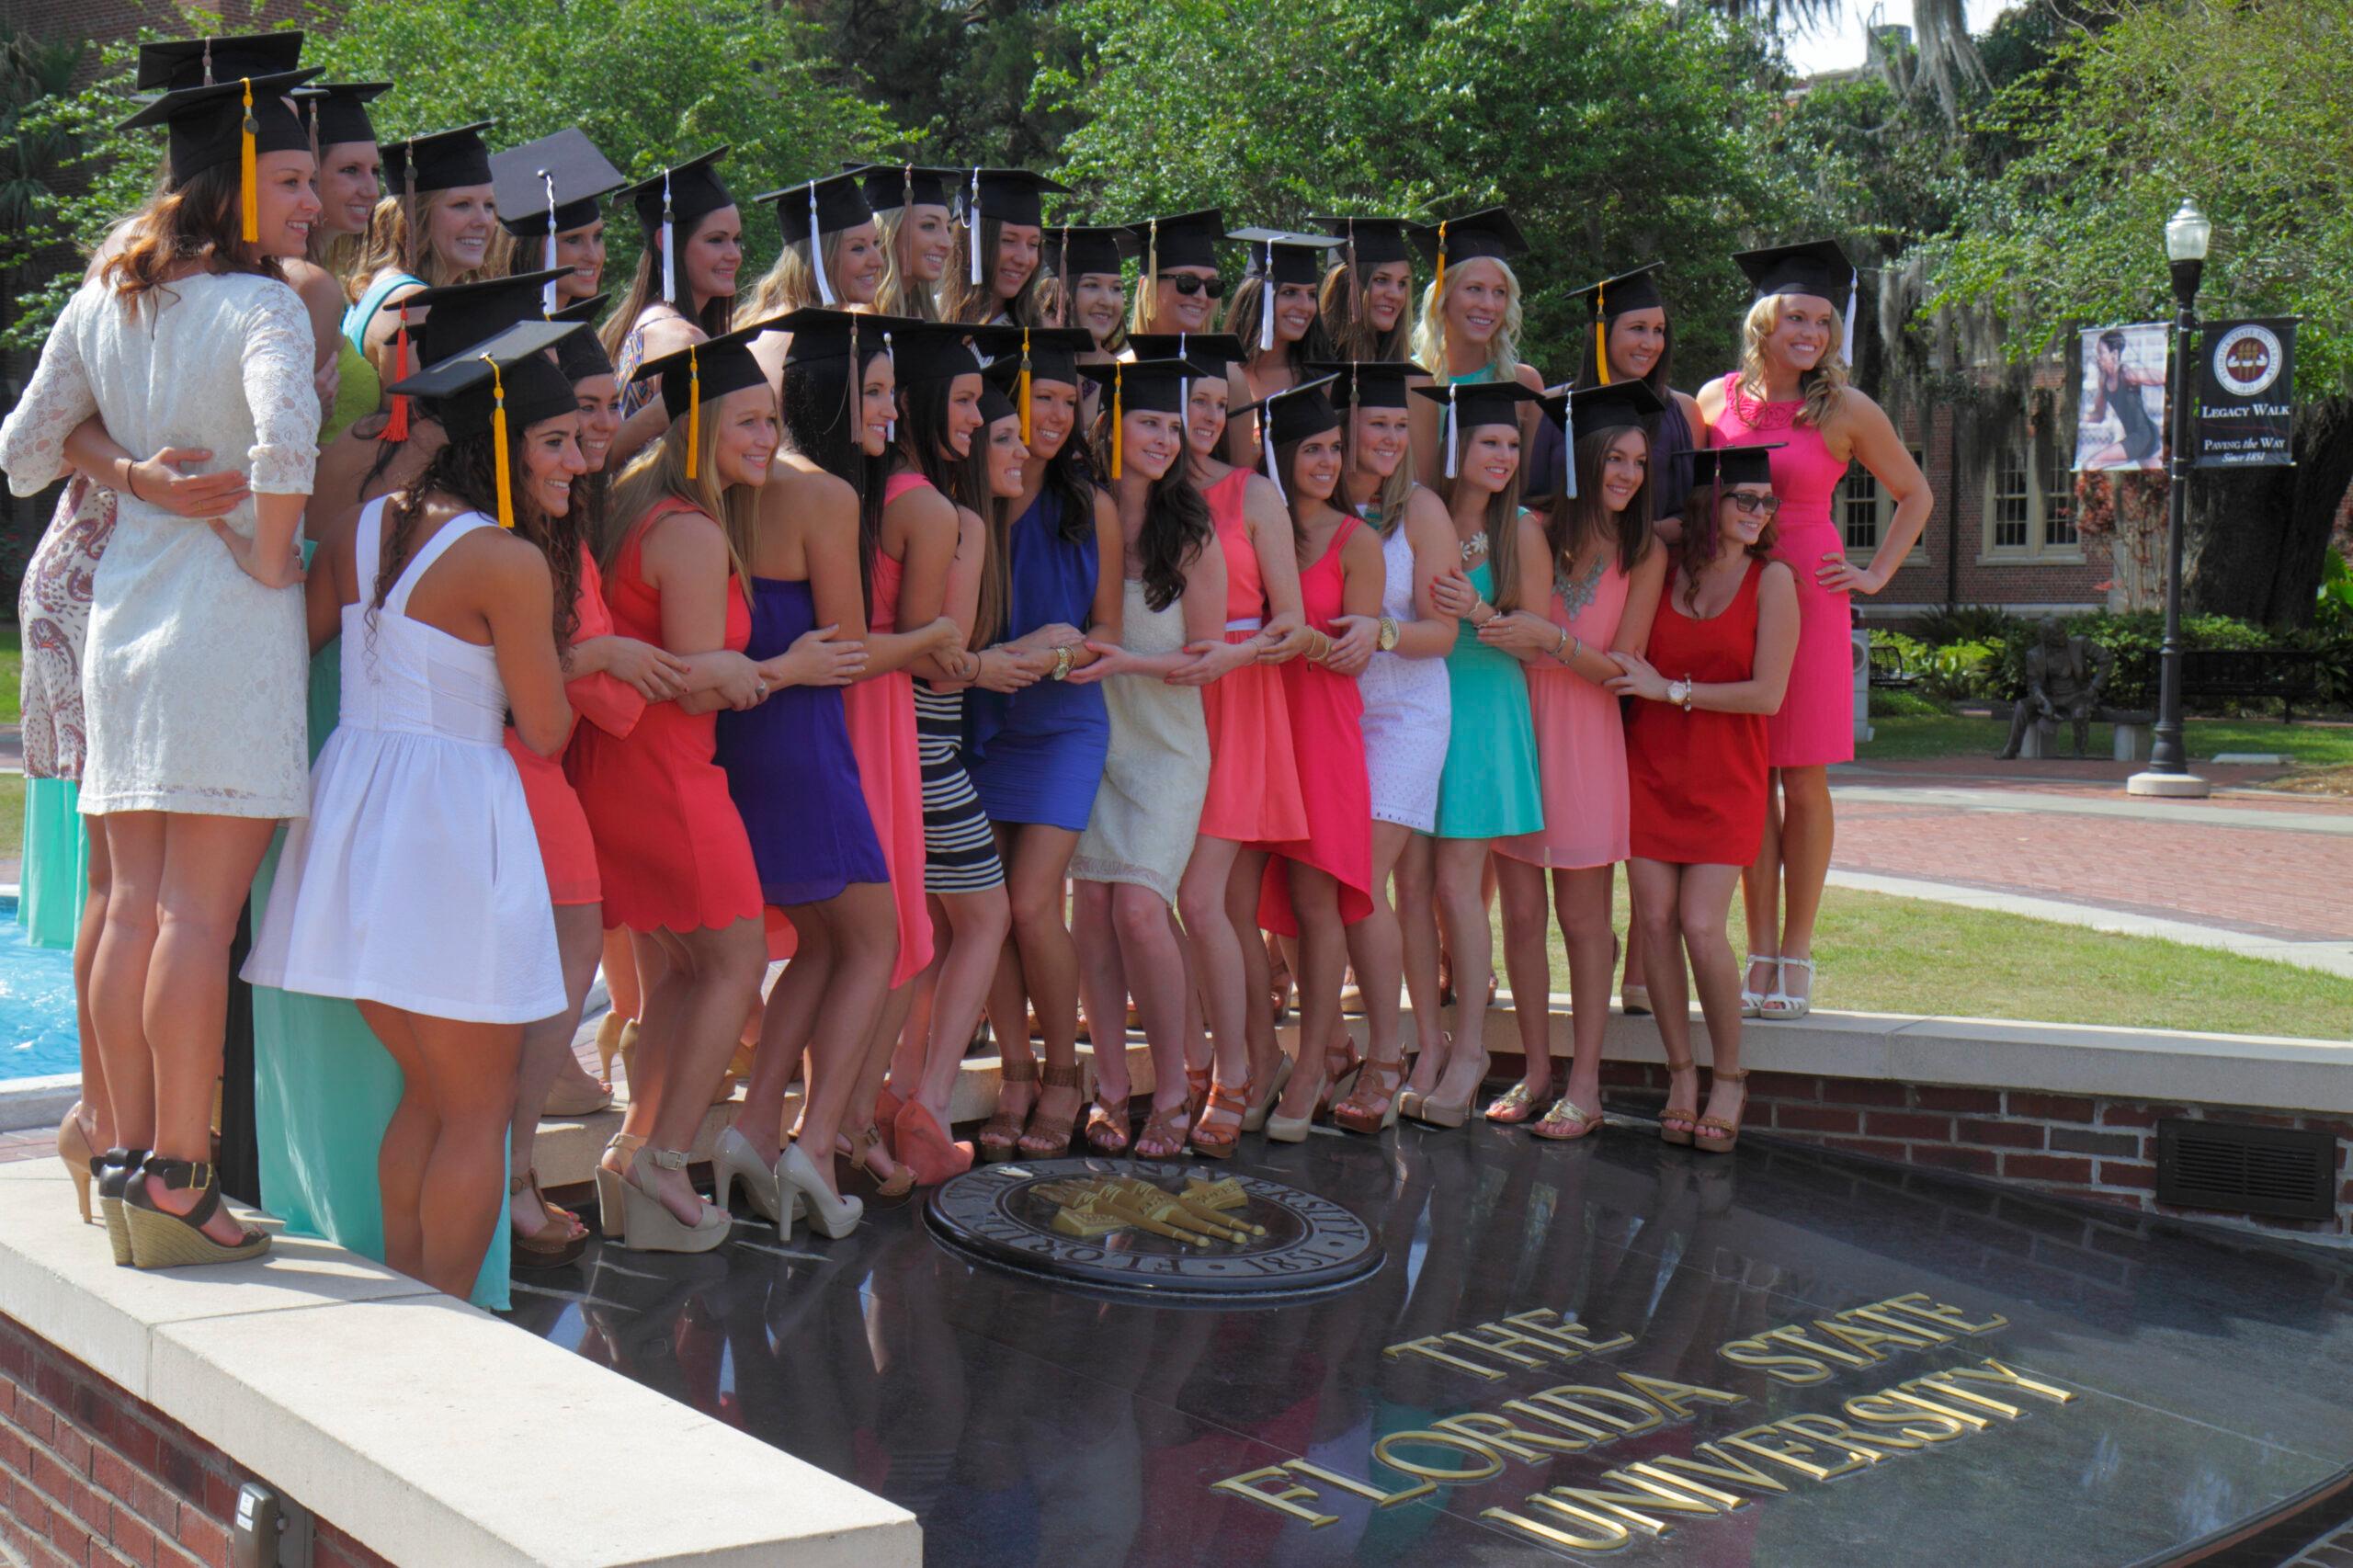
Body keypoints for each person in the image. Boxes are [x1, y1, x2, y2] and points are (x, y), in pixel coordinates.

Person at [1, 68, 320, 1261]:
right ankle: (180, 1172)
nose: (312, 203)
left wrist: (131, 474)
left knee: (134, 903)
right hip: (226, 626)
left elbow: (24, 450)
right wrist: (274, 554)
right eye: (291, 180)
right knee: (196, 912)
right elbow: (287, 440)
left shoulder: (107, 299)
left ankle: (129, 1154)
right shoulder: (265, 306)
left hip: (126, 625)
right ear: (233, 184)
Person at [244, 324, 580, 1299]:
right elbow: (547, 727)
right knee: (477, 1108)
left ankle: (406, 1299)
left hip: (356, 810)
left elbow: (307, 637)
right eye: (554, 441)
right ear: (500, 445)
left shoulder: (362, 524)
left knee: (430, 1093)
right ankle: (449, 1322)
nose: (576, 459)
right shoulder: (508, 561)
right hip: (448, 824)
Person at [569, 320, 802, 1250]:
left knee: (676, 970)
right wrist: (787, 668)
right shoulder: (694, 533)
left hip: (621, 767)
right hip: (667, 772)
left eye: (772, 420)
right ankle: (663, 1161)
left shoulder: (631, 503)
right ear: (699, 428)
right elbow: (705, 679)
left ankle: (634, 1153)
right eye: (747, 421)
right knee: (736, 963)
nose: (767, 439)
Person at [720, 310, 934, 1236]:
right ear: (831, 398)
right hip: (806, 737)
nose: (891, 409)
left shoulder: (739, 480)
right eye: (875, 392)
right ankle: (812, 1145)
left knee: (820, 941)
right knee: (875, 942)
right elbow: (845, 654)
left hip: (745, 738)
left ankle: (752, 1130)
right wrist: (932, 637)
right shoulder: (825, 496)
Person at [500, 315, 693, 1270]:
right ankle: (508, 1174)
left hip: (533, 756)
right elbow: (519, 665)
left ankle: (509, 1169)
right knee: (565, 947)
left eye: (603, 414)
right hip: (513, 759)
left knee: (558, 953)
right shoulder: (506, 533)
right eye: (570, 422)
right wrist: (610, 658)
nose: (588, 442)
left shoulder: (550, 516)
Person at [1701, 240, 1930, 1020]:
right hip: (1735, 592)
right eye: (1797, 317)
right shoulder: (1715, 401)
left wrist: (1875, 573)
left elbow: (1916, 494)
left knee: (1802, 778)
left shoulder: (1846, 409)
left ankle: (1796, 952)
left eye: (1824, 321)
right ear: (1764, 321)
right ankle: (1758, 950)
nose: (1811, 333)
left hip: (1812, 595)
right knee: (1749, 778)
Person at [1132, 332, 1311, 1151]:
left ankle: (1233, 1074)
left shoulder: (1252, 493)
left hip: (1239, 702)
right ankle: (1219, 1059)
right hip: (1165, 710)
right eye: (1190, 403)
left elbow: (1292, 621)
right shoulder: (1148, 501)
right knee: (1174, 899)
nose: (1205, 418)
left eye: (1216, 405)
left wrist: (1230, 657)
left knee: (1202, 900)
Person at [1485, 384, 1668, 1138]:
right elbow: (1514, 631)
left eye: (1638, 463)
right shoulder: (1531, 530)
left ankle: (1585, 1087)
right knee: (1523, 915)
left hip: (1590, 740)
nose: (1627, 475)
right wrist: (1553, 644)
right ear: (1584, 458)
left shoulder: (1645, 552)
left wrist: (1555, 641)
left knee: (1584, 919)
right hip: (1518, 729)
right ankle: (1535, 1072)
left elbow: (1623, 669)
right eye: (1615, 459)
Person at [860, 323, 1020, 1171]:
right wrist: (1009, 661)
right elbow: (941, 654)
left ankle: (897, 1089)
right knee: (984, 914)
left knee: (920, 927)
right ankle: (926, 1102)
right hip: (922, 740)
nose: (976, 419)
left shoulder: (867, 491)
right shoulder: (950, 517)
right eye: (962, 401)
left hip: (878, 730)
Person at [1608, 446, 1799, 1153]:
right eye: (1744, 499)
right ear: (1708, 502)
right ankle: (1681, 1076)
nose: (1758, 512)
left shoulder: (1772, 580)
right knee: (1655, 921)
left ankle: (1730, 1077)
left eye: (1767, 502)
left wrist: (1672, 691)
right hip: (1650, 770)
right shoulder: (1664, 568)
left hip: (1726, 777)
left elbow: (1767, 695)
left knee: (1699, 923)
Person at [960, 330, 1120, 1157]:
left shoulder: (1091, 507)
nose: (1054, 417)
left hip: (1062, 722)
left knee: (1029, 903)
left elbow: (1107, 633)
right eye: (1038, 401)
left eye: (1065, 401)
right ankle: (1015, 1073)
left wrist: (1050, 657)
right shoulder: (974, 501)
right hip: (983, 719)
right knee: (985, 909)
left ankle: (1064, 1071)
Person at [1064, 357, 1225, 1158]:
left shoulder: (1190, 532)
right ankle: (1109, 1088)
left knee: (1138, 909)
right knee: (1092, 915)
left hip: (1165, 749)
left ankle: (1172, 1089)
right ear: (1112, 427)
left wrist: (1125, 660)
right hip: (1092, 743)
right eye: (1149, 423)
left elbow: (1208, 658)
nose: (1165, 438)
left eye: (1173, 425)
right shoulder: (1079, 515)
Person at [1303, 359, 1454, 1134]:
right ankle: (1330, 1045)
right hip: (1334, 714)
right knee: (1316, 882)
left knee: (1360, 879)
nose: (1392, 439)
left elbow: (1443, 632)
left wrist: (1381, 632)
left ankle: (1387, 1056)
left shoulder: (1419, 510)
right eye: (1377, 426)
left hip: (1407, 715)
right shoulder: (1314, 507)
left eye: (1401, 425)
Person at [1551, 264, 1704, 1016]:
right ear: (1601, 332)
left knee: (1646, 782)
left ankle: (1641, 964)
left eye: (1659, 330)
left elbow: (1698, 508)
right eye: (1636, 327)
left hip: (1651, 594)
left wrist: (1649, 541)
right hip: (1587, 596)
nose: (1650, 341)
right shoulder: (1560, 410)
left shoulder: (1682, 413)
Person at [1401, 381, 1549, 1128]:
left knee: (1457, 884)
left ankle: (1470, 1051)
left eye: (1512, 444)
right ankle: (1426, 1046)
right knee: (1411, 881)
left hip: (1486, 711)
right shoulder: (1417, 513)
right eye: (1490, 442)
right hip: (1418, 705)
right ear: (1458, 445)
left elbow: (1539, 642)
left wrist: (1481, 610)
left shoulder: (1520, 530)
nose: (1503, 456)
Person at [1249, 380, 1384, 1142]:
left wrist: (1311, 640)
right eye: (1311, 450)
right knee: (1261, 903)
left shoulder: (1355, 541)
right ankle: (1312, 1050)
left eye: (1334, 448)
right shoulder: (1254, 526)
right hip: (1261, 726)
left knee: (1315, 898)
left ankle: (1310, 1064)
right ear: (1278, 455)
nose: (1328, 462)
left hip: (1323, 728)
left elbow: (1356, 652)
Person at [602, 149, 741, 458]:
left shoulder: (642, 321)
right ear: (667, 242)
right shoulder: (680, 339)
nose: (734, 254)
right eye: (716, 240)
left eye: (737, 239)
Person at [345, 123, 502, 388]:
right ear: (414, 217)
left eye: (489, 206)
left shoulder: (386, 285)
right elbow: (413, 414)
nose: (483, 221)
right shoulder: (411, 304)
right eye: (462, 205)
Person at [1404, 209, 1548, 486]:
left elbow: (1528, 489)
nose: (1489, 305)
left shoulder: (1523, 383)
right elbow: (1417, 487)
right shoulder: (1412, 380)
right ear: (1443, 296)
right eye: (1474, 288)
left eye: (1499, 292)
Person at [294, 78, 390, 444]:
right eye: (350, 170)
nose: (372, 190)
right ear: (308, 175)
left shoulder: (321, 276)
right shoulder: (308, 285)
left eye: (375, 171)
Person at [744, 170, 884, 382]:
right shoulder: (782, 343)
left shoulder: (837, 327)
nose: (878, 261)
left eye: (876, 243)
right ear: (818, 257)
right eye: (858, 248)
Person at [1221, 230, 1342, 463]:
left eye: (1311, 295)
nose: (1305, 306)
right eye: (1290, 292)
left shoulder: (1322, 382)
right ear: (1258, 296)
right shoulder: (1222, 375)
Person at [492, 128, 626, 312]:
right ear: (526, 251)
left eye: (597, 237)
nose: (594, 256)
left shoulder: (578, 326)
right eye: (573, 240)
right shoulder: (499, 328)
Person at [940, 168, 1067, 327]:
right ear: (971, 242)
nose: (1023, 259)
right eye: (1008, 240)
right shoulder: (928, 319)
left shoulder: (1043, 335)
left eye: (1033, 244)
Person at [857, 162, 960, 322]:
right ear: (888, 233)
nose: (947, 243)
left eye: (948, 228)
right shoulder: (858, 323)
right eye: (929, 226)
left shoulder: (921, 318)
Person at [1311, 216, 1415, 363]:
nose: (1396, 295)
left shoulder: (1409, 373)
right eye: (1381, 280)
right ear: (1345, 284)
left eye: (1402, 283)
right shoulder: (1308, 370)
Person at [1122, 210, 1228, 338]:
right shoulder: (1115, 353)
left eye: (1212, 285)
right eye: (1188, 281)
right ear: (1149, 287)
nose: (1202, 297)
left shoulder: (1227, 352)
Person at [2086, 327, 2165, 470]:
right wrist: (2077, 418)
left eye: (2101, 353)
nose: (2098, 358)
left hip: (2142, 436)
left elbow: (2161, 377)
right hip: (2136, 438)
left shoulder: (2127, 375)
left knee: (2091, 464)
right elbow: (2099, 415)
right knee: (2155, 475)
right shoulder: (2103, 380)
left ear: (2114, 354)